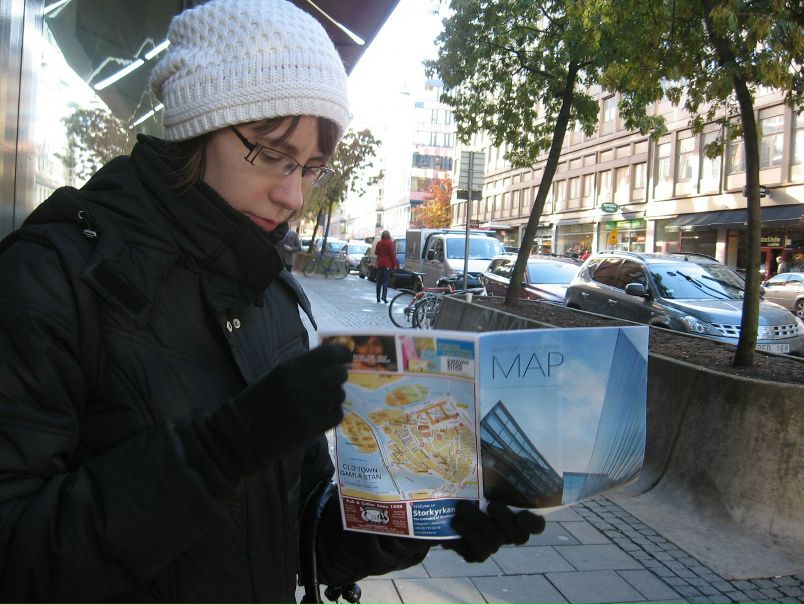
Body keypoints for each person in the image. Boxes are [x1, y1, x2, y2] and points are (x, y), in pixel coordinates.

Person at [0, 0, 544, 601]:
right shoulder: (51, 276)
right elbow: (17, 555)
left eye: (310, 169)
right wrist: (220, 451)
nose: (293, 196)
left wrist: (419, 516)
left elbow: (301, 530)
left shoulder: (267, 291)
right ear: (198, 125)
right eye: (273, 156)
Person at [375, 230, 398, 303]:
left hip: (380, 264)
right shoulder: (390, 243)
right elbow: (392, 255)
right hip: (387, 264)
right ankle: (384, 296)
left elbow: (377, 253)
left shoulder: (379, 243)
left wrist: (377, 263)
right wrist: (394, 265)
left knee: (379, 281)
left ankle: (378, 297)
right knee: (385, 281)